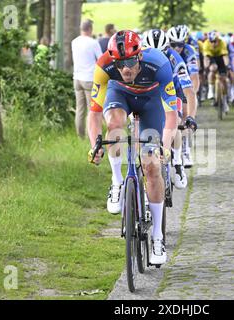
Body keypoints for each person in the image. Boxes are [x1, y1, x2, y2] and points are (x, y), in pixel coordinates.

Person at [88, 30, 178, 265]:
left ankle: (157, 235)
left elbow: (171, 115)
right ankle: (117, 182)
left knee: (151, 168)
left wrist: (165, 147)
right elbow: (94, 114)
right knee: (115, 125)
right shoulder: (104, 66)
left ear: (139, 57)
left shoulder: (159, 65)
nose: (125, 69)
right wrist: (95, 145)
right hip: (120, 96)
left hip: (151, 103)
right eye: (119, 63)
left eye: (129, 62)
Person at [143, 29, 198, 190]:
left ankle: (178, 163)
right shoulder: (140, 58)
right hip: (151, 91)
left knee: (177, 122)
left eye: (161, 53)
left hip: (173, 91)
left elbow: (189, 90)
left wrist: (192, 117)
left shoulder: (176, 60)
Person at [166, 25, 200, 169]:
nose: (177, 47)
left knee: (184, 115)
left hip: (182, 84)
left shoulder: (189, 52)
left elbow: (194, 77)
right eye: (174, 44)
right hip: (167, 84)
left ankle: (185, 150)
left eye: (180, 44)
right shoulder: (164, 52)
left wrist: (191, 95)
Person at [71, 19, 103, 138]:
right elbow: (101, 60)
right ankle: (92, 135)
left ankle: (80, 136)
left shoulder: (74, 42)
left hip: (77, 78)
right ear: (90, 29)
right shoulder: (93, 43)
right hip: (89, 79)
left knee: (80, 109)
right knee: (92, 110)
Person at [202, 31, 230, 112]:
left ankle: (225, 101)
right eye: (211, 42)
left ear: (218, 40)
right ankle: (210, 90)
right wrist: (206, 67)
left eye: (215, 42)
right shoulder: (206, 44)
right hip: (211, 58)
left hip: (220, 58)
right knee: (212, 69)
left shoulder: (222, 43)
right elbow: (206, 58)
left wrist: (227, 66)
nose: (213, 44)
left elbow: (225, 57)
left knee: (224, 80)